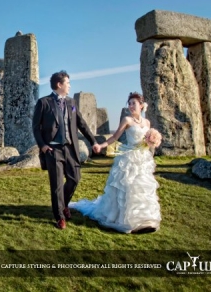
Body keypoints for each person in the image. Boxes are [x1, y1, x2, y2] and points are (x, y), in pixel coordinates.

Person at [69, 92, 161, 234]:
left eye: (133, 103)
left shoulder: (147, 122)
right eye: (129, 103)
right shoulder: (127, 120)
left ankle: (145, 220)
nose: (130, 106)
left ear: (141, 105)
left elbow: (146, 141)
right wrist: (101, 145)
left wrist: (151, 141)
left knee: (142, 188)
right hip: (129, 157)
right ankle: (125, 220)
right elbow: (115, 136)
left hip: (143, 158)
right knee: (128, 187)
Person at [32, 70, 101, 230]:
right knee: (56, 184)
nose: (69, 86)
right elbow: (36, 128)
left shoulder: (71, 103)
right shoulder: (44, 102)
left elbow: (81, 124)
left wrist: (93, 142)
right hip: (52, 149)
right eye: (67, 83)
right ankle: (60, 217)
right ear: (59, 84)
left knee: (75, 178)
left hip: (70, 148)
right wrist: (43, 146)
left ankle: (63, 205)